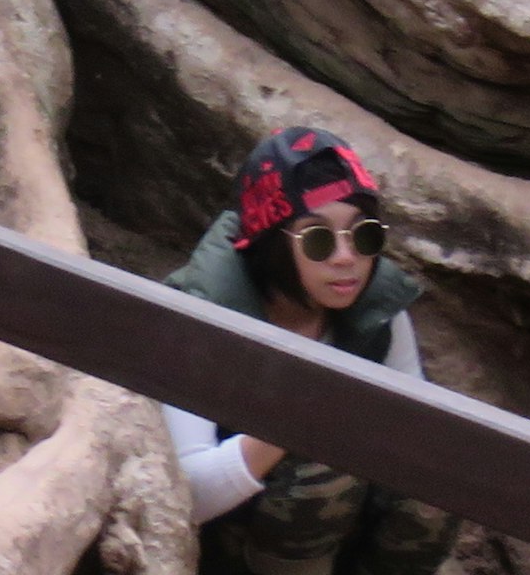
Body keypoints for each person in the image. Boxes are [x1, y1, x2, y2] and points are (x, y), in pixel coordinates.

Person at [162, 128, 457, 575]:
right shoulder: (196, 318)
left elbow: (411, 434)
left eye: (364, 236)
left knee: (440, 466)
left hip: (341, 531)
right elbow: (184, 498)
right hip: (224, 541)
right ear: (272, 243)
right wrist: (291, 425)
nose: (346, 258)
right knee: (321, 465)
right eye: (319, 239)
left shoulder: (379, 309)